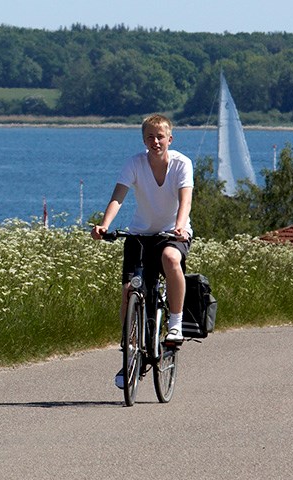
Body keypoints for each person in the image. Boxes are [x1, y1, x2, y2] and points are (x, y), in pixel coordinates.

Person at [90, 114, 193, 390]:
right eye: (150, 137)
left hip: (171, 234)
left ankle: (175, 323)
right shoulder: (134, 163)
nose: (155, 141)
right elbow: (118, 196)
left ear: (170, 139)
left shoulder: (182, 164)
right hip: (139, 235)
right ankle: (130, 354)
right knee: (129, 290)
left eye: (160, 137)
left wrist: (180, 228)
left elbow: (185, 200)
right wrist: (104, 225)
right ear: (143, 140)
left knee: (171, 258)